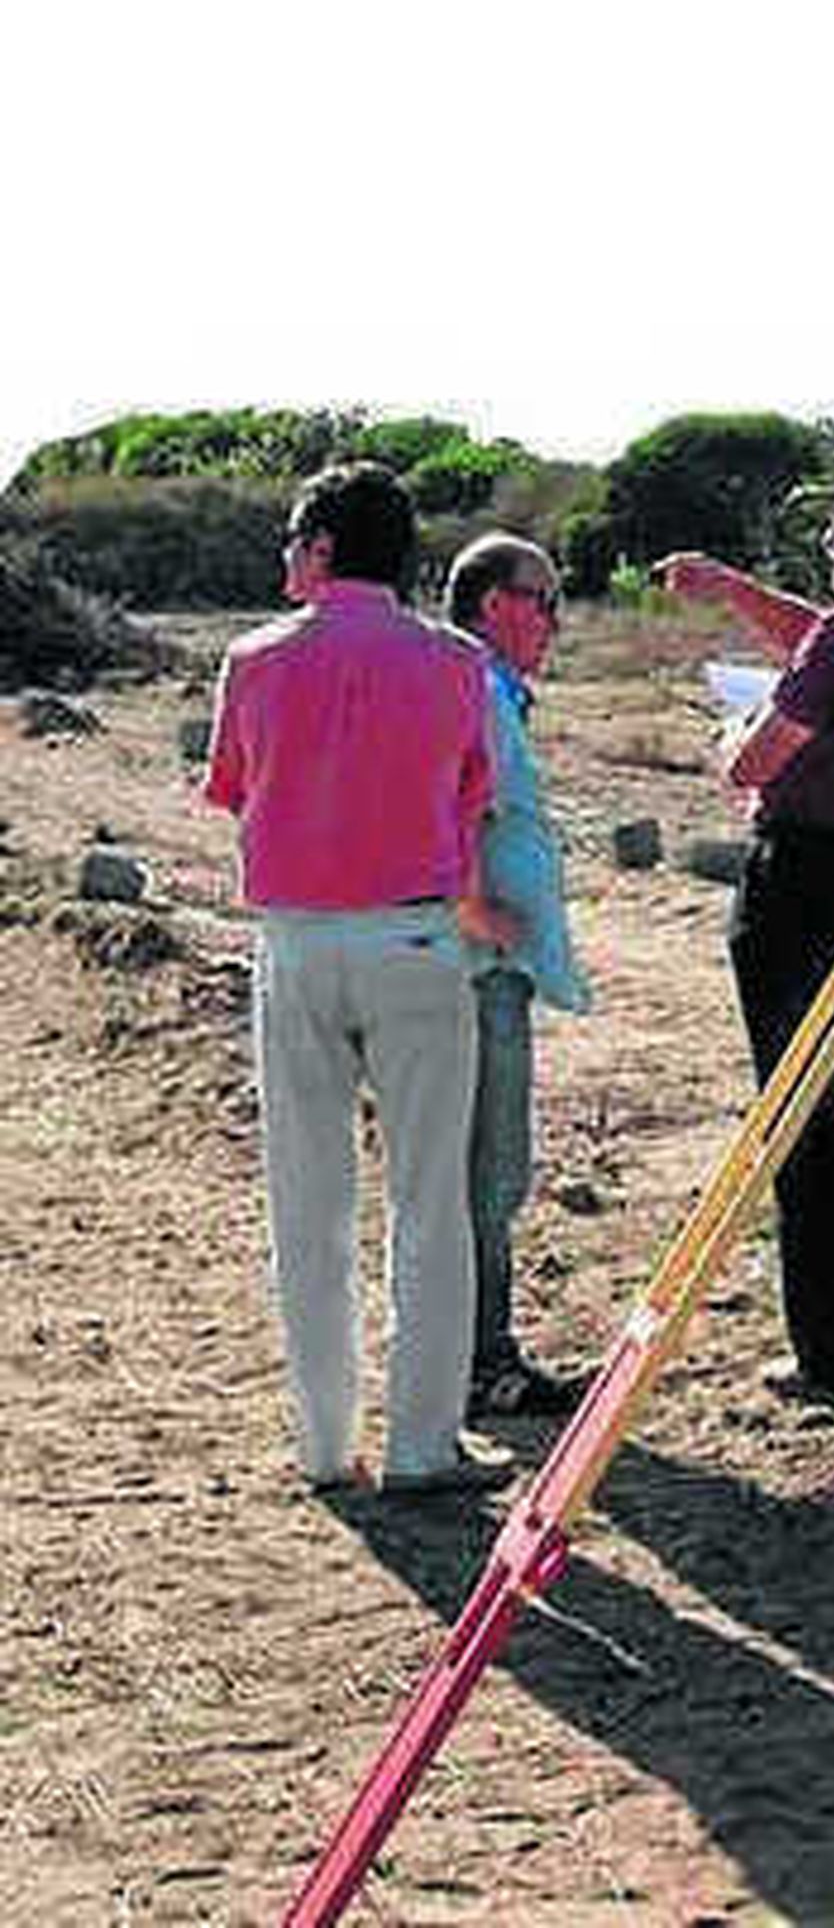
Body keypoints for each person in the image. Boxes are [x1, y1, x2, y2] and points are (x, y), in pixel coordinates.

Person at [204, 462, 512, 1495]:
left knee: (308, 1199)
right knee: (430, 1201)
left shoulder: (251, 660)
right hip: (417, 944)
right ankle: (424, 1441)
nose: (289, 556)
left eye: (298, 539)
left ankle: (325, 1443)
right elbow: (473, 796)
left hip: (295, 943)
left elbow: (234, 789)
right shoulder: (458, 662)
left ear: (324, 548)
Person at [656, 471, 834, 1414]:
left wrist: (736, 729)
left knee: (808, 1114)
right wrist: (738, 590)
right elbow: (822, 634)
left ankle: (832, 1352)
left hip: (807, 883)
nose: (831, 537)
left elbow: (757, 756)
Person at [443, 531, 592, 1420]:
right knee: (486, 1171)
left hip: (486, 957)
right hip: (476, 963)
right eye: (544, 600)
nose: (555, 622)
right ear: (496, 601)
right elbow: (447, 793)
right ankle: (481, 1361)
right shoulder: (470, 685)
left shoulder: (486, 686)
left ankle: (473, 1353)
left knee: (481, 1171)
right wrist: (473, 906)